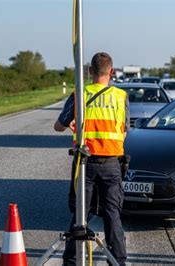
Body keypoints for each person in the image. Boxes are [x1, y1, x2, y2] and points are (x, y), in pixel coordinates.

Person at [54, 52, 129, 266]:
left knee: (80, 215)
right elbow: (123, 131)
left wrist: (74, 126)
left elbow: (58, 126)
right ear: (111, 72)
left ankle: (71, 261)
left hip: (84, 163)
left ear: (89, 72)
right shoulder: (121, 97)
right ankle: (118, 261)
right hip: (112, 163)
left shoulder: (80, 94)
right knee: (112, 214)